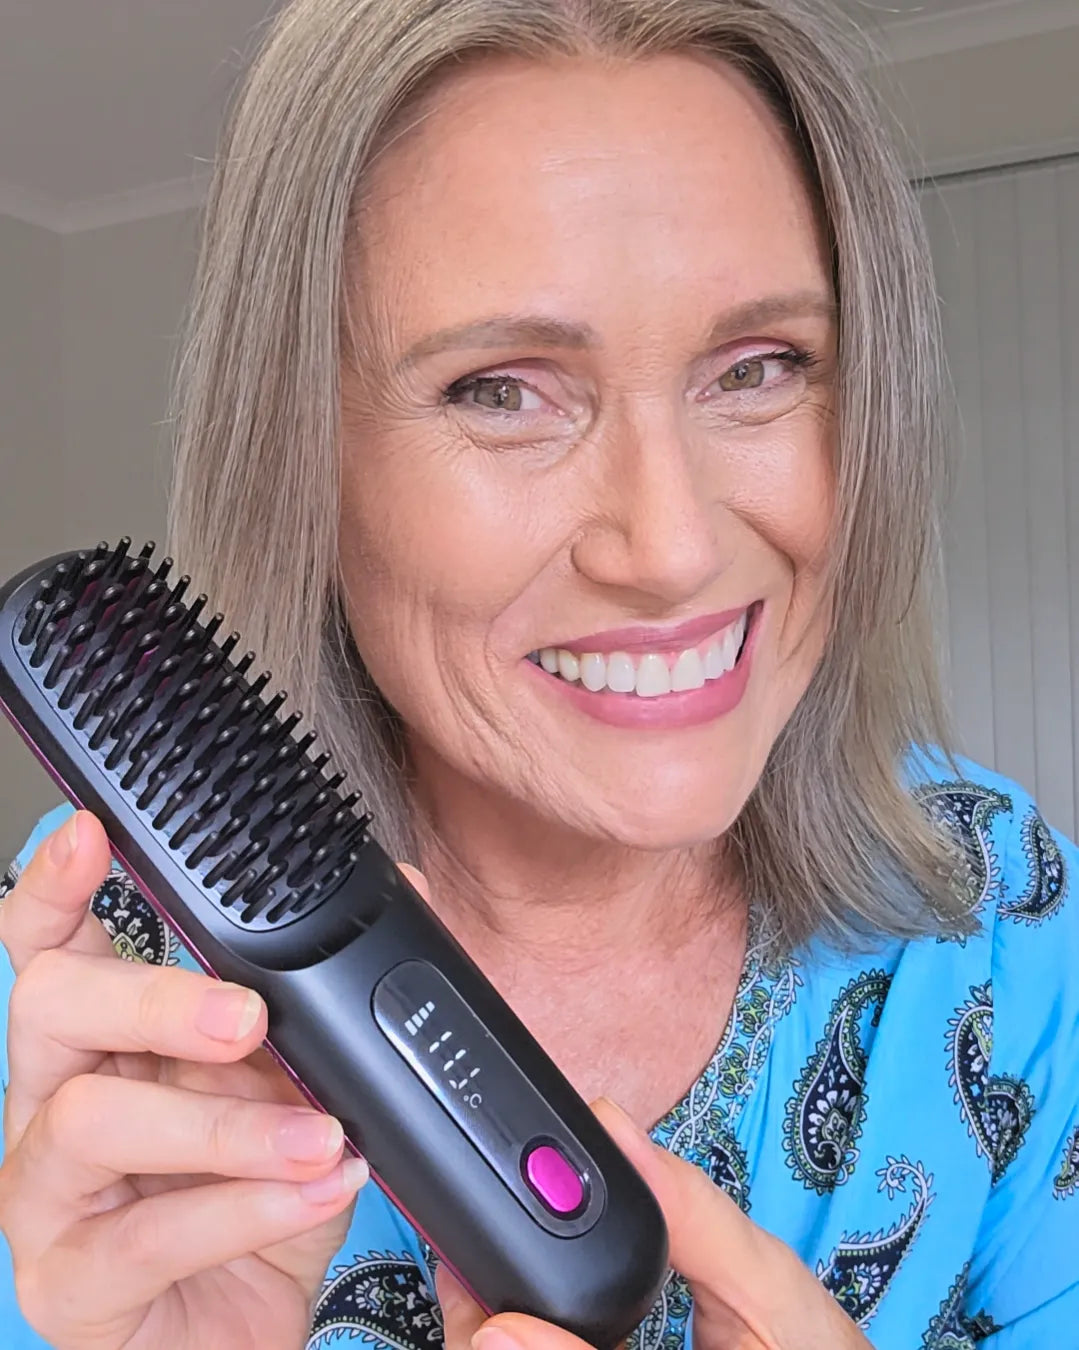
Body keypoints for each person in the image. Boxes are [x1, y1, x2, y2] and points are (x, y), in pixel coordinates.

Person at [1, 0, 1077, 1346]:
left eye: (759, 368)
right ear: (303, 462)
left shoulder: (1001, 915)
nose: (672, 547)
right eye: (502, 390)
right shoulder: (87, 1006)